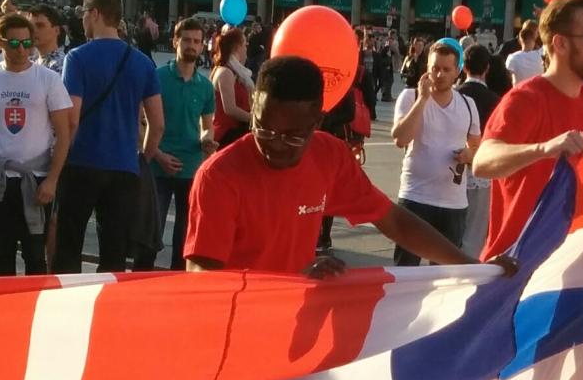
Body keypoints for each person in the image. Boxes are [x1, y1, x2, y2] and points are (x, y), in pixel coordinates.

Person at [186, 55, 516, 278]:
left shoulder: (329, 155)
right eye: (263, 128)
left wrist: (473, 266)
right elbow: (201, 278)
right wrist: (291, 281)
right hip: (238, 333)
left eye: (293, 136)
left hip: (298, 327)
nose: (275, 143)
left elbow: (394, 221)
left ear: (317, 122)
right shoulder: (219, 177)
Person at [472, 0, 583, 261]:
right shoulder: (525, 99)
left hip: (571, 264)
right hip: (516, 267)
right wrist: (544, 149)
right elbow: (482, 161)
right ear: (561, 44)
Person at [52, 0, 163, 274]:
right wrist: (143, 157)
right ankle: (108, 299)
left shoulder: (77, 58)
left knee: (69, 245)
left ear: (95, 14)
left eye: (83, 14)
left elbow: (72, 118)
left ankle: (68, 297)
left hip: (82, 161)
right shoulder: (143, 62)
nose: (82, 20)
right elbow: (157, 123)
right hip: (124, 167)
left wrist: (59, 160)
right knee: (114, 252)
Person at [0, 11, 74, 276]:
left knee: (35, 255)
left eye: (27, 43)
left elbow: (64, 133)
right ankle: (6, 301)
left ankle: (33, 300)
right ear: (0, 42)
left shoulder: (48, 79)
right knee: (0, 253)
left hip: (35, 179)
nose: (22, 50)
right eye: (14, 43)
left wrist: (52, 180)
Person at [390, 39, 482, 265]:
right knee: (406, 270)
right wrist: (423, 99)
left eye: (446, 69)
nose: (439, 74)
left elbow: (477, 148)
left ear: (457, 72)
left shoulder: (468, 104)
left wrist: (468, 155)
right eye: (435, 68)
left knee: (445, 274)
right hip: (415, 197)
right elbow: (401, 139)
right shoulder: (410, 97)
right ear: (427, 69)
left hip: (453, 204)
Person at [144, 16, 215, 269]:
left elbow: (207, 126)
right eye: (186, 40)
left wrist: (207, 140)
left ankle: (178, 283)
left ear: (203, 45)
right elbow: (140, 122)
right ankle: (141, 281)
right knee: (150, 235)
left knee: (185, 239)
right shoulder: (157, 77)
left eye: (196, 41)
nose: (191, 46)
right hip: (157, 167)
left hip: (190, 169)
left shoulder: (205, 86)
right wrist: (158, 154)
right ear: (175, 41)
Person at [210, 24, 254, 149]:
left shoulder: (236, 72)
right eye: (244, 45)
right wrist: (255, 119)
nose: (246, 49)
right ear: (236, 47)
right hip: (227, 134)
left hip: (236, 131)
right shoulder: (226, 72)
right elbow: (230, 109)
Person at [29, 3, 68, 74]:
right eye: (30, 26)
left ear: (56, 30)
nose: (33, 30)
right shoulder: (29, 60)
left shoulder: (61, 66)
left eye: (40, 26)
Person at [504, 17, 545, 85]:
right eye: (537, 32)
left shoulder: (512, 58)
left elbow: (508, 77)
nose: (538, 34)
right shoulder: (541, 54)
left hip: (519, 90)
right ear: (534, 36)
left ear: (520, 40)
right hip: (536, 90)